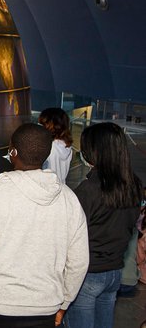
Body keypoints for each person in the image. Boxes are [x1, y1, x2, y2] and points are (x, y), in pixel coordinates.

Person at [0, 123, 89, 327]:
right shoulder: (69, 199)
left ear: (13, 152)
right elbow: (78, 261)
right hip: (44, 308)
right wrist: (65, 302)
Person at [64, 122, 143, 328]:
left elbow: (70, 235)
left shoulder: (88, 189)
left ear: (96, 151)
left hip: (87, 275)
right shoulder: (133, 184)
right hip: (114, 273)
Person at [38, 107, 74, 184]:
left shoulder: (48, 146)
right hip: (62, 187)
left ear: (49, 126)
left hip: (47, 188)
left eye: (42, 124)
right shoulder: (67, 146)